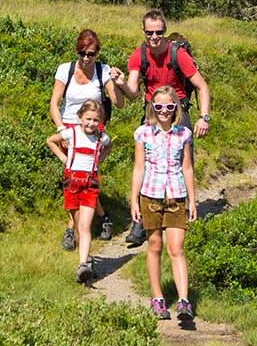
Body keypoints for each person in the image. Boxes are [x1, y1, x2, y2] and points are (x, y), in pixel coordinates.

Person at [49, 29, 122, 249]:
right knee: (73, 181)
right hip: (70, 131)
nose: (86, 58)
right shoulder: (65, 69)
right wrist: (62, 129)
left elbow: (118, 103)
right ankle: (97, 220)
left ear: (97, 53)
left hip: (93, 131)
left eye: (90, 53)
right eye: (82, 52)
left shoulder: (104, 71)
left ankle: (75, 229)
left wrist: (117, 83)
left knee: (86, 180)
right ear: (77, 51)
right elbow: (54, 103)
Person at [130, 85, 197, 321]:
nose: (164, 111)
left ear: (175, 108)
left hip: (176, 194)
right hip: (150, 193)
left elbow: (186, 167)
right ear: (152, 108)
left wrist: (192, 200)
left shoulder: (183, 134)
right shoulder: (143, 133)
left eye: (169, 106)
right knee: (155, 245)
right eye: (159, 106)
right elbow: (139, 167)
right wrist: (134, 200)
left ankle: (183, 301)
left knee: (176, 248)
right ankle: (158, 298)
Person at [46, 99, 110, 283]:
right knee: (77, 224)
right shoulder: (71, 133)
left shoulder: (100, 137)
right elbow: (50, 140)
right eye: (88, 119)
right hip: (71, 181)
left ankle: (83, 265)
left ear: (100, 121)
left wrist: (99, 160)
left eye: (95, 120)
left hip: (90, 184)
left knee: (84, 225)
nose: (91, 123)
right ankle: (87, 260)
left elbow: (109, 145)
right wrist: (64, 159)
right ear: (80, 118)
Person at [122, 10, 211, 138]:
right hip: (153, 111)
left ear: (165, 30)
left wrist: (204, 118)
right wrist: (120, 83)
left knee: (183, 154)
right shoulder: (138, 56)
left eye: (159, 32)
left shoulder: (179, 55)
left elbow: (202, 86)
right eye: (149, 32)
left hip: (178, 110)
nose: (154, 36)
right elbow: (132, 93)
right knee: (149, 154)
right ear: (143, 31)